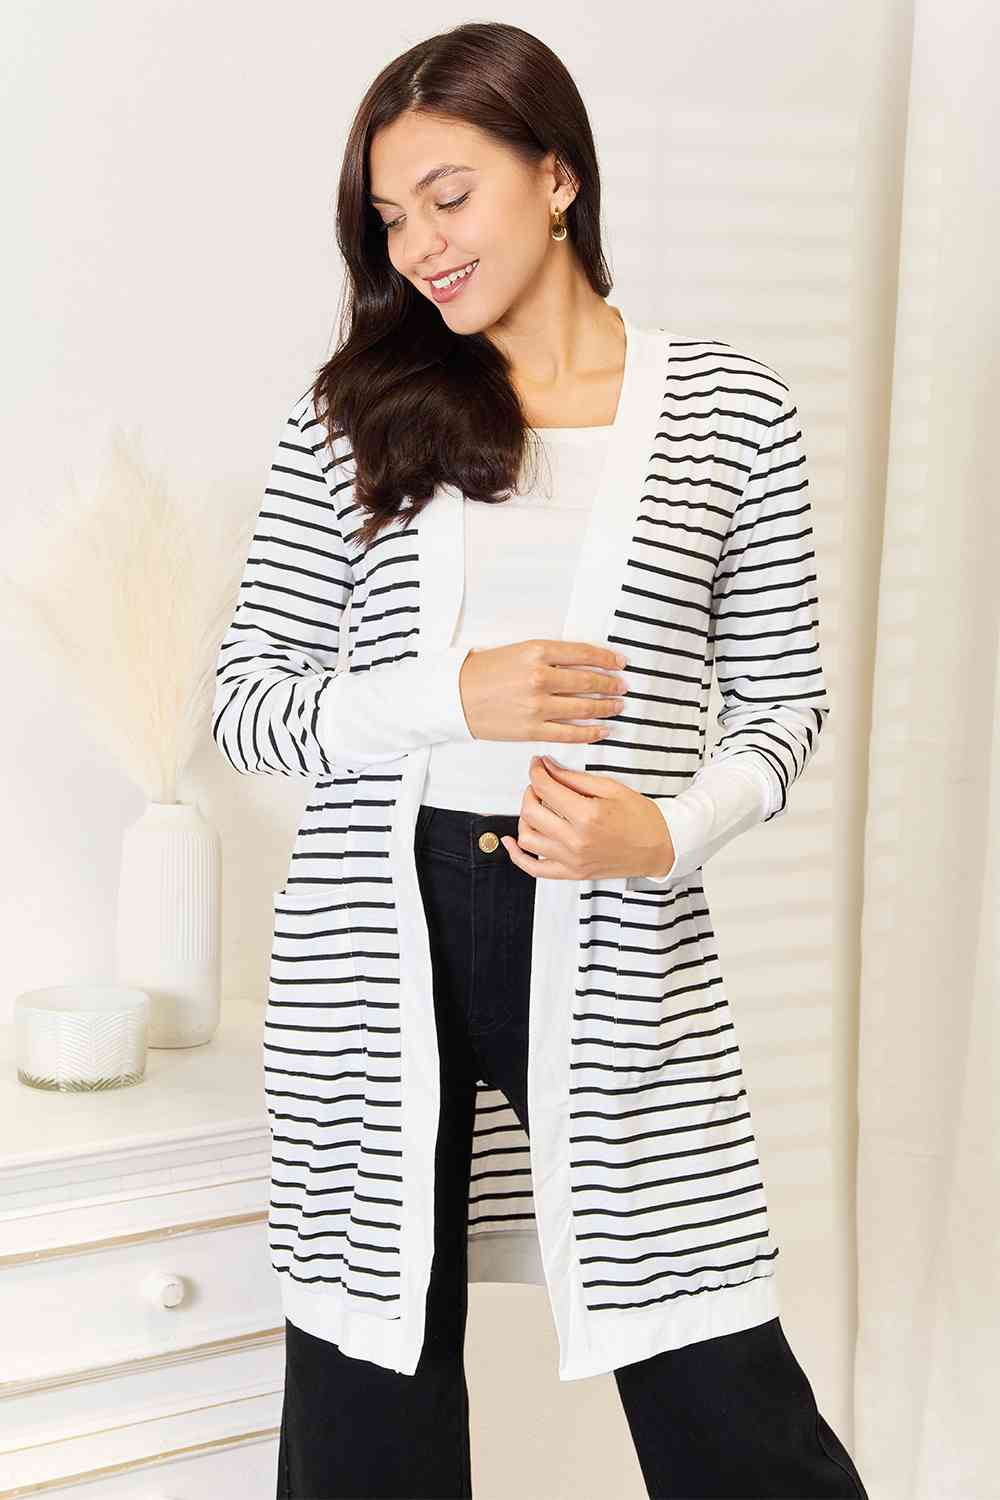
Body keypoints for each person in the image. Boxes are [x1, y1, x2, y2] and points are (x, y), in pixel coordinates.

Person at [213, 20, 870, 1500]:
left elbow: (784, 708)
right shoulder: (351, 415)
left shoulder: (729, 413)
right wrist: (447, 695)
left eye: (450, 196)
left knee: (713, 1363)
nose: (422, 247)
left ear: (557, 174)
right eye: (392, 220)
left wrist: (665, 833)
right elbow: (249, 702)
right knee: (367, 1375)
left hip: (608, 924)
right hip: (374, 936)